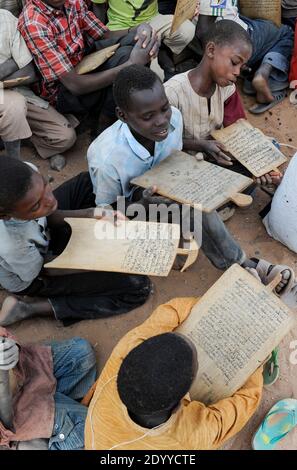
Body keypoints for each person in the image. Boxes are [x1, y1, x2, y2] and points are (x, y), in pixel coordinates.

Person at [87, 64, 296, 298]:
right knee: (192, 208)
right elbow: (105, 213)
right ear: (122, 116)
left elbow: (175, 151)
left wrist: (201, 147)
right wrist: (145, 206)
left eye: (164, 108)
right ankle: (241, 264)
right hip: (134, 212)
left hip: (172, 188)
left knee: (219, 183)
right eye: (148, 116)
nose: (161, 121)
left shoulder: (173, 118)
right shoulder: (105, 158)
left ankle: (221, 247)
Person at [83, 297, 264, 450]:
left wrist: (215, 305)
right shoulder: (192, 436)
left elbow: (170, 311)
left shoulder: (123, 353)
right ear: (179, 405)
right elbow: (248, 399)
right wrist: (257, 364)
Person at [0, 158, 151, 327]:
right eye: (36, 205)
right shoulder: (13, 245)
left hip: (40, 233)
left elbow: (49, 214)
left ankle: (103, 224)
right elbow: (46, 269)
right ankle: (30, 308)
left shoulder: (24, 175)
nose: (50, 200)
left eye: (45, 185)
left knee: (86, 183)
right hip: (38, 273)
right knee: (137, 285)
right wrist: (99, 259)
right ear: (5, 216)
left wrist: (92, 213)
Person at [164, 20, 282, 187]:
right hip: (183, 165)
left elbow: (239, 131)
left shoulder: (227, 89)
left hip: (215, 158)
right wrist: (201, 145)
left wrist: (262, 164)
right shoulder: (173, 93)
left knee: (270, 149)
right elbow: (160, 143)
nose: (237, 72)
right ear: (211, 50)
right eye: (234, 62)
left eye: (242, 67)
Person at [18, 0, 159, 133]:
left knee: (137, 44)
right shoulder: (34, 22)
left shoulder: (72, 2)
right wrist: (131, 65)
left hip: (83, 63)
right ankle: (105, 122)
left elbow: (104, 34)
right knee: (127, 60)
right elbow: (75, 85)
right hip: (62, 91)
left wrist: (137, 30)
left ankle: (119, 109)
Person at [0, 9, 76, 168]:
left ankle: (17, 141)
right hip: (9, 96)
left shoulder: (5, 19)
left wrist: (7, 69)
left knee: (64, 136)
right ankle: (15, 162)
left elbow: (29, 72)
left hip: (11, 90)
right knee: (14, 105)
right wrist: (13, 63)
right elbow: (21, 64)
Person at [0, 326, 96, 450]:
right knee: (91, 426)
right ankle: (33, 441)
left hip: (22, 371)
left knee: (83, 353)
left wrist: (9, 345)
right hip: (10, 417)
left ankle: (50, 412)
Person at [196, 0, 294, 110]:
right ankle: (263, 72)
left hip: (227, 37)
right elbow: (202, 31)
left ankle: (251, 72)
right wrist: (212, 60)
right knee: (286, 32)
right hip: (240, 40)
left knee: (255, 21)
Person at [90, 0, 196, 80]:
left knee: (187, 30)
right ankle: (158, 52)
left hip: (154, 20)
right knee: (155, 75)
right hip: (120, 27)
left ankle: (162, 49)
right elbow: (98, 6)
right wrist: (100, 37)